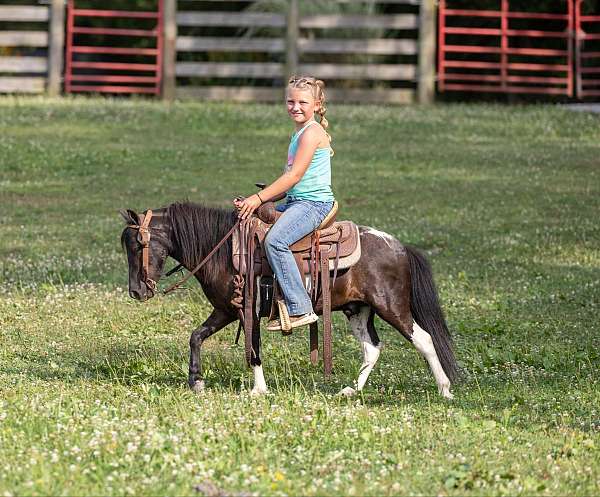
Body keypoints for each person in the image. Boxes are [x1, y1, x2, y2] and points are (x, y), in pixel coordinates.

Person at [233, 76, 335, 330]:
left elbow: (294, 176)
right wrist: (254, 202)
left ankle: (300, 308)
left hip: (313, 205)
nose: (295, 107)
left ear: (317, 104)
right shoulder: (299, 133)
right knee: (249, 223)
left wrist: (259, 197)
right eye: (290, 101)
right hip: (296, 201)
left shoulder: (312, 133)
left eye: (302, 102)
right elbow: (289, 183)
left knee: (276, 241)